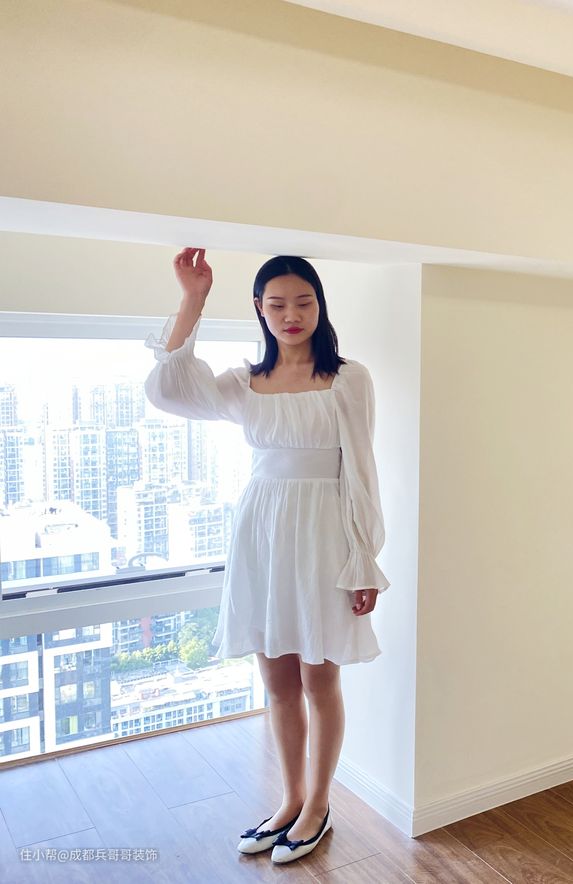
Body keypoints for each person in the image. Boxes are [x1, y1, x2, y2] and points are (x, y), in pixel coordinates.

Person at [144, 248, 389, 864]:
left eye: (303, 302)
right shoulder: (243, 383)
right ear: (259, 309)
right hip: (261, 534)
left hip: (324, 537)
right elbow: (168, 389)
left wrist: (364, 557)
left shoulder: (348, 379)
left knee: (318, 678)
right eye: (277, 304)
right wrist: (193, 298)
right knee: (277, 681)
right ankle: (290, 799)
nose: (291, 315)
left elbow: (362, 472)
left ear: (320, 306)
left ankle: (318, 806)